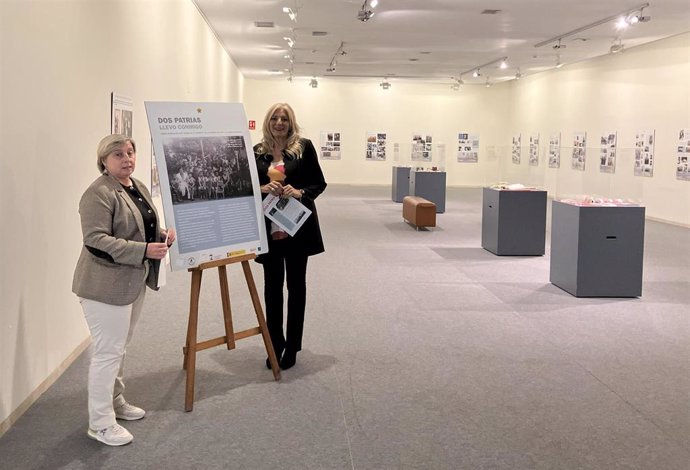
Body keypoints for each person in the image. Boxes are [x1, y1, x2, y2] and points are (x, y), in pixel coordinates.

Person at [72, 134, 176, 446]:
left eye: (130, 152)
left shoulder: (135, 185)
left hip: (131, 280)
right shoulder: (97, 193)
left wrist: (161, 236)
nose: (127, 158)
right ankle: (100, 424)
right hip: (103, 285)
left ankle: (115, 402)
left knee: (120, 347)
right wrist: (145, 250)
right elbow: (96, 240)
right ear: (103, 160)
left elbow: (141, 226)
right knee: (107, 352)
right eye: (118, 154)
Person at [254, 103, 327, 370]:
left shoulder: (304, 147)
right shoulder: (257, 152)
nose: (280, 122)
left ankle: (293, 346)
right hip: (269, 229)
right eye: (275, 117)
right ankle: (275, 344)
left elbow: (319, 182)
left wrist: (299, 192)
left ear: (291, 122)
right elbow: (248, 187)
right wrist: (263, 186)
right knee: (272, 289)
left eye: (284, 118)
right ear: (268, 121)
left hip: (297, 228)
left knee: (296, 288)